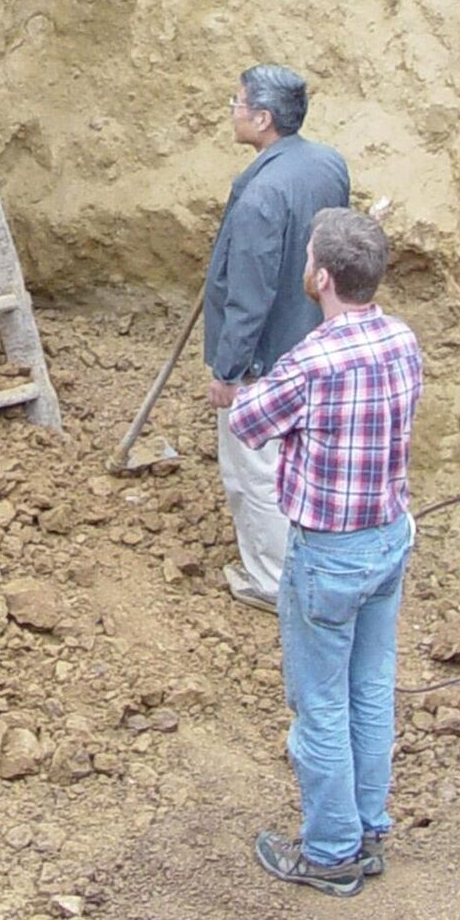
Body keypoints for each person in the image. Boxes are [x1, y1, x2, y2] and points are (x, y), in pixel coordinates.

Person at [228, 205, 423, 896]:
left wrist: (237, 383)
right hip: (388, 540)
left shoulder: (313, 361)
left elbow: (248, 422)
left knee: (320, 704)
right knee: (370, 690)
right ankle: (367, 825)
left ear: (320, 278)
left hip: (331, 555)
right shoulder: (402, 340)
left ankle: (332, 851)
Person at [203, 65, 350, 607]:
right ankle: (308, 550)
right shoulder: (327, 164)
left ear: (262, 119)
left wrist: (230, 372)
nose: (232, 110)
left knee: (255, 469)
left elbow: (250, 293)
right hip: (312, 340)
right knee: (300, 459)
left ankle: (269, 579)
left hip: (266, 359)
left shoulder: (263, 193)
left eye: (236, 102)